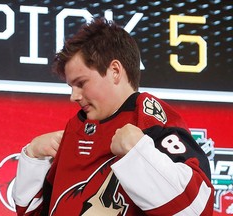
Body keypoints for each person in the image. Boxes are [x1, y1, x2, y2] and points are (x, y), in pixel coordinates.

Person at [12, 18, 214, 215]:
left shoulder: (148, 119)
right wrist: (33, 157)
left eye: (81, 83)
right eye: (71, 86)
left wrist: (138, 152)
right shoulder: (74, 129)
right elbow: (31, 211)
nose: (74, 96)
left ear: (115, 71)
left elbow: (196, 209)